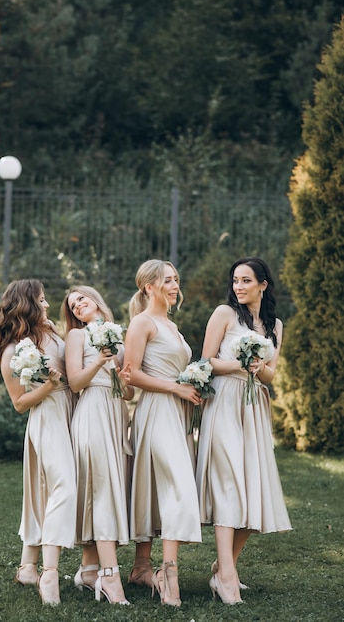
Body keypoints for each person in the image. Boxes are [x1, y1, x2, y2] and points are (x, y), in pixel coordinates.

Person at [196, 257, 292, 605]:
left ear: (263, 285)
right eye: (235, 279)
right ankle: (225, 577)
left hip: (253, 408)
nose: (239, 286)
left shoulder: (275, 325)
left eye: (246, 280)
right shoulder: (224, 314)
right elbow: (205, 361)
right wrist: (239, 363)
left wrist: (257, 367)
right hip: (224, 403)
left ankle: (225, 567)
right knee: (229, 486)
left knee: (255, 492)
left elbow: (271, 375)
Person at [0, 279, 77, 606]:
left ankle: (28, 567)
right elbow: (20, 403)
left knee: (44, 493)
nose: (47, 305)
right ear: (27, 304)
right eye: (41, 300)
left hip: (70, 413)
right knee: (64, 488)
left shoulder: (51, 333)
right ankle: (50, 572)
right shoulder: (13, 350)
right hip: (47, 418)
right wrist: (50, 385)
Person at [124, 259, 202, 608]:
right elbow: (131, 373)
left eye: (176, 279)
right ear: (149, 287)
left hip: (177, 411)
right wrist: (177, 388)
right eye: (167, 280)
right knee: (178, 486)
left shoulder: (171, 324)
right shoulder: (142, 323)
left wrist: (194, 386)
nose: (174, 286)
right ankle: (169, 574)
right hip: (156, 411)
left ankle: (142, 567)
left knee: (160, 487)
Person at [62, 285, 134, 606]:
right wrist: (100, 361)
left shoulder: (119, 335)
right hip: (91, 412)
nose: (77, 306)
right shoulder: (77, 337)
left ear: (95, 299)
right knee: (102, 489)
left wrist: (122, 373)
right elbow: (76, 383)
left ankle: (89, 569)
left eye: (81, 298)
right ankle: (110, 577)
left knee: (103, 489)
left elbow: (129, 394)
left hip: (116, 413)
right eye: (72, 305)